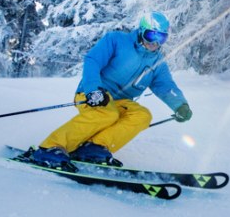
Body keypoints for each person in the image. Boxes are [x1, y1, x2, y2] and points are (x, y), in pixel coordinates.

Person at [28, 11, 192, 171]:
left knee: (143, 115)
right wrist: (93, 90)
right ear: (142, 31)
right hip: (93, 93)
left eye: (161, 37)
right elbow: (93, 60)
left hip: (121, 101)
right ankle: (49, 148)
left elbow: (165, 86)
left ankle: (94, 148)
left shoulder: (157, 63)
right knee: (107, 113)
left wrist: (180, 105)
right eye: (151, 35)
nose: (154, 42)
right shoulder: (117, 40)